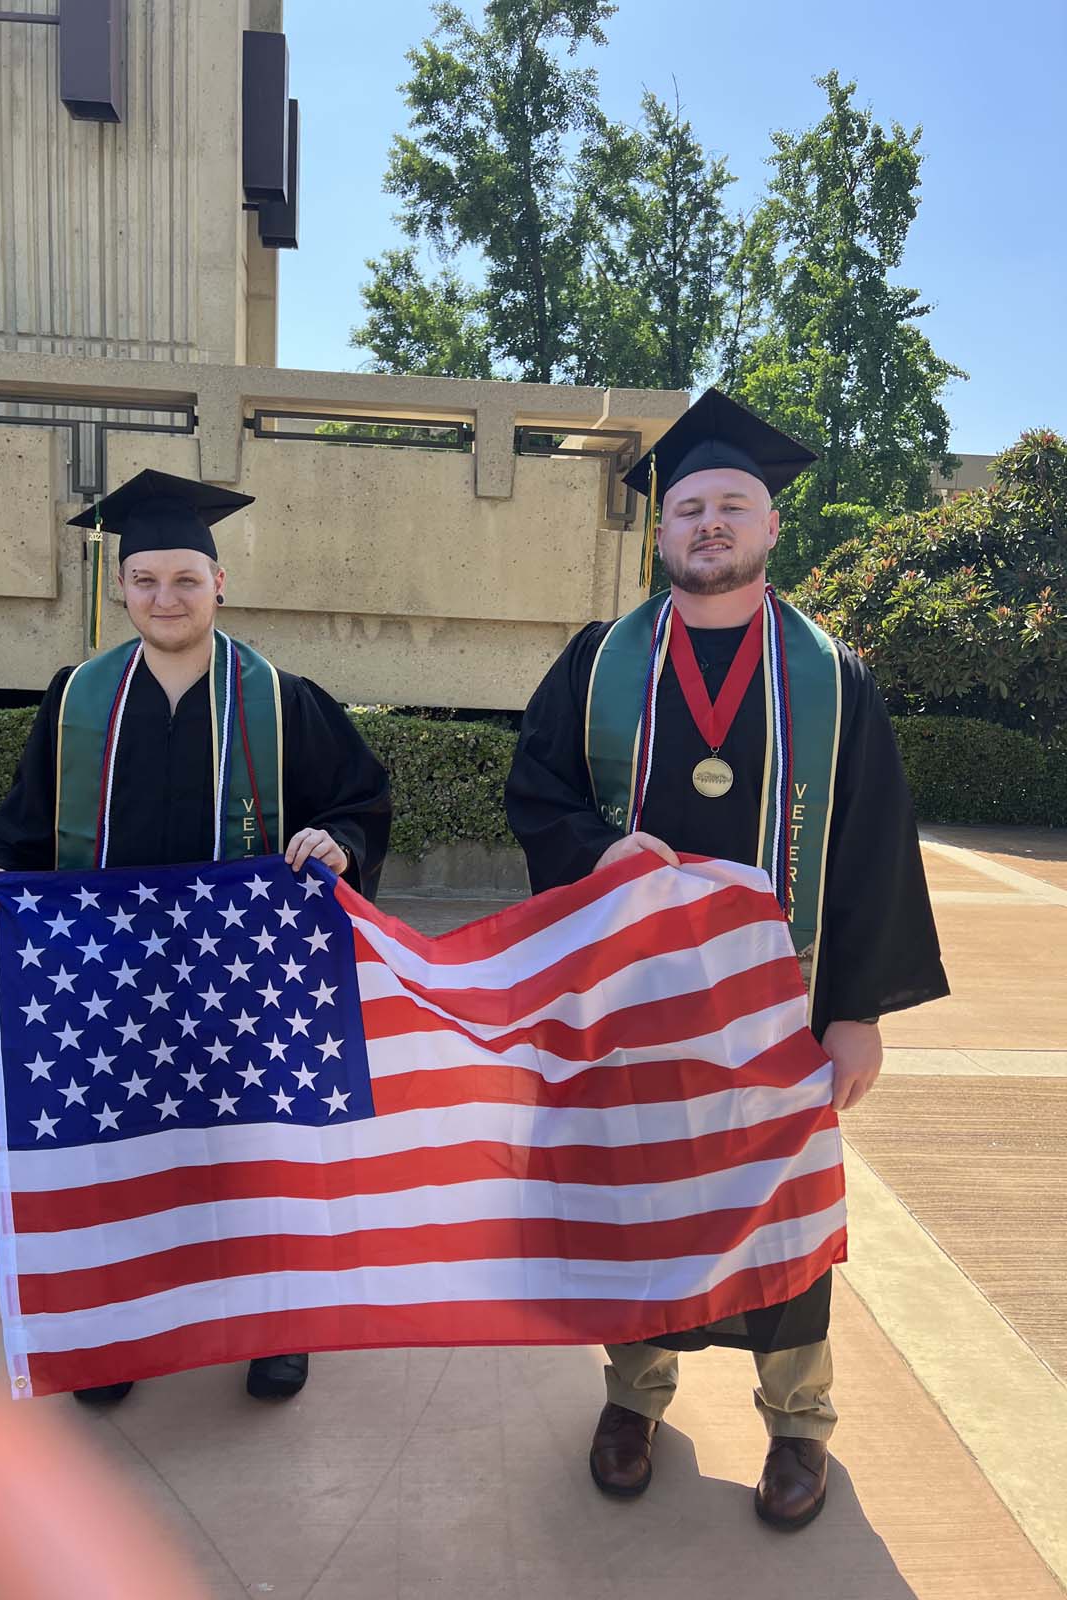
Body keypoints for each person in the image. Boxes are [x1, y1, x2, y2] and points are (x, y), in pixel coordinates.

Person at [504, 389, 947, 1529]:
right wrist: (602, 850)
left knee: (782, 1216)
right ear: (661, 533)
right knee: (636, 1197)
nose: (709, 523)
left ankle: (799, 1423)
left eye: (731, 506)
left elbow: (870, 850)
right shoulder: (601, 661)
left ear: (770, 529)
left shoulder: (833, 676)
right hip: (634, 1012)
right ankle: (634, 1396)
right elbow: (536, 791)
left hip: (779, 1015)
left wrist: (858, 1010)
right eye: (690, 506)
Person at [0, 468, 391, 1407]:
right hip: (111, 984)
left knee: (257, 1156)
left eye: (185, 580)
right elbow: (26, 821)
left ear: (219, 584)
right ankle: (116, 1333)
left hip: (245, 983)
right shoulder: (77, 699)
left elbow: (358, 801)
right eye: (147, 580)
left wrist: (341, 841)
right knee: (119, 1154)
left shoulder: (282, 699)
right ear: (123, 588)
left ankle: (278, 1325)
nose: (166, 597)